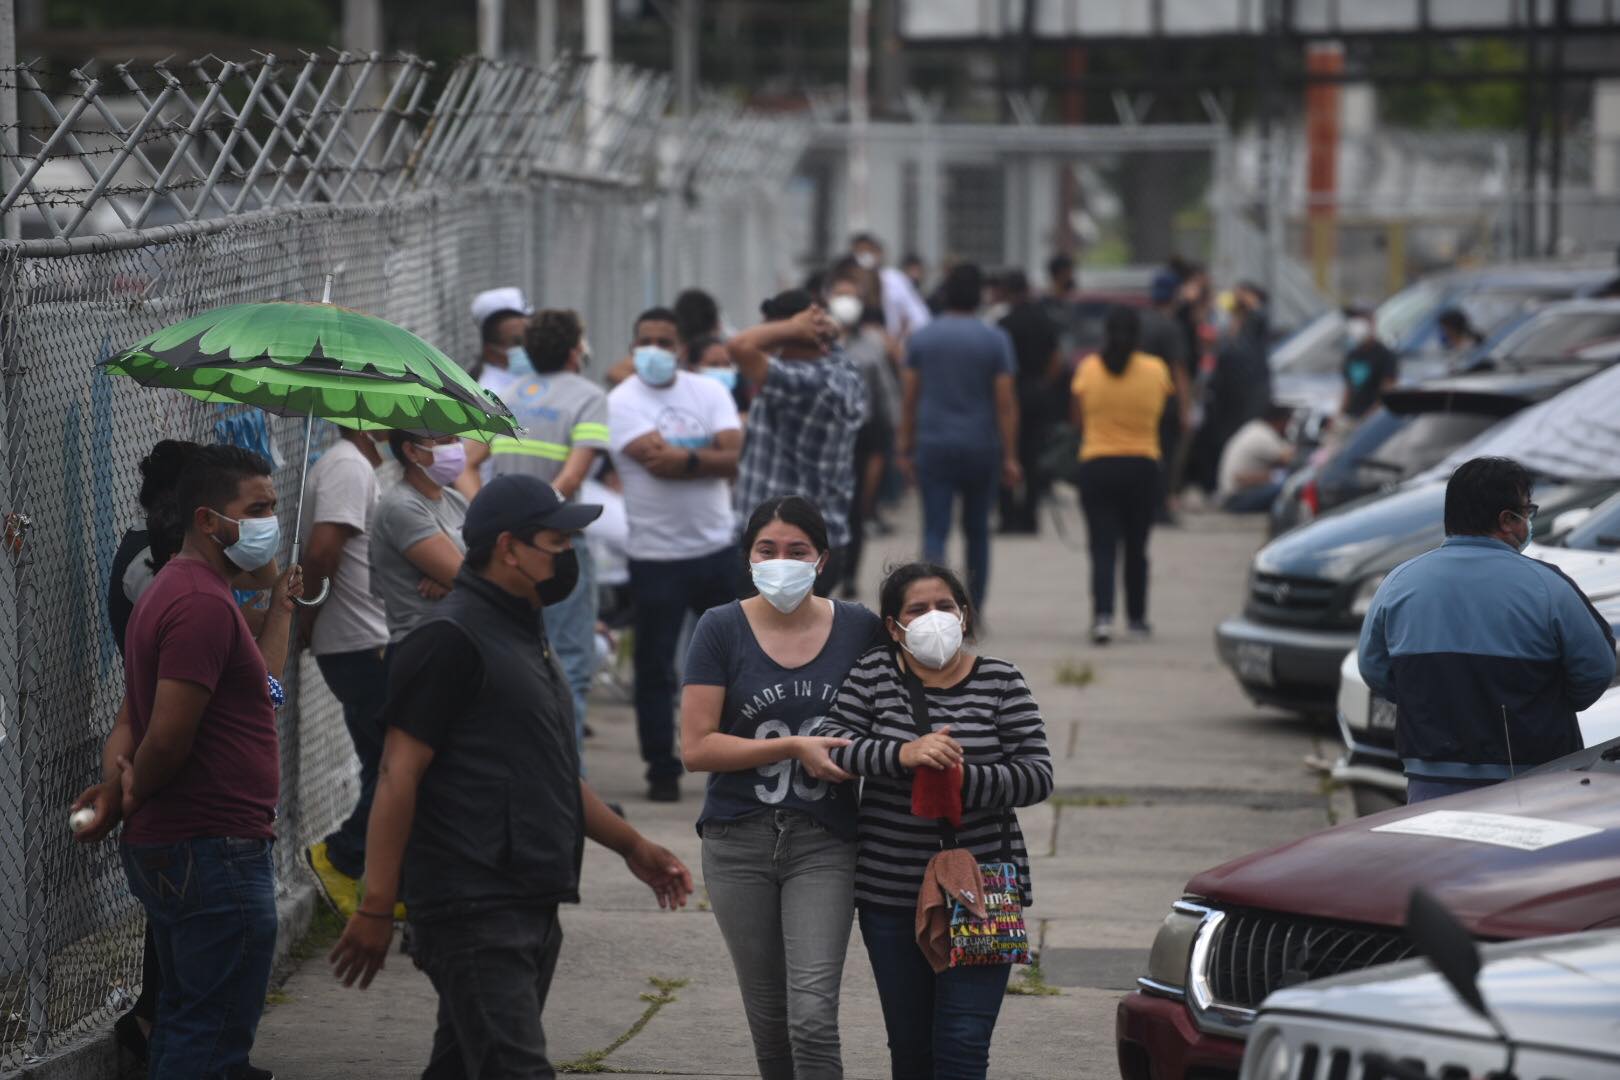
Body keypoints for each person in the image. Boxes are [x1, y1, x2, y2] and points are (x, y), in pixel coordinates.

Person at [326, 474, 695, 1078]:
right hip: (472, 904)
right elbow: (397, 776)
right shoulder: (448, 640)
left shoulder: (524, 634)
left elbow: (549, 769)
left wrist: (632, 845)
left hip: (528, 896)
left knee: (462, 1065)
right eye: (557, 541)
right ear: (509, 547)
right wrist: (374, 905)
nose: (569, 555)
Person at [72, 447, 286, 1080]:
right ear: (208, 520)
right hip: (211, 848)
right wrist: (126, 796)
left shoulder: (180, 588)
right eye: (257, 509)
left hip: (194, 845)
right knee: (210, 1037)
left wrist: (116, 790)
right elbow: (164, 737)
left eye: (272, 506)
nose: (270, 520)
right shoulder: (200, 604)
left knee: (185, 1023)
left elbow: (129, 723)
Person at [818, 562, 1052, 1080]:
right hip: (890, 891)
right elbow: (833, 744)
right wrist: (904, 755)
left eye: (944, 606)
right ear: (893, 626)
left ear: (964, 615)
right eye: (917, 609)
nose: (934, 618)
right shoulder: (875, 675)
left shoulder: (1001, 680)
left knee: (964, 1044)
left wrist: (961, 776)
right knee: (910, 1048)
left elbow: (1037, 776)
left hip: (984, 887)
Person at [679, 496, 885, 1080]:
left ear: (821, 559)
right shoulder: (720, 627)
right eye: (766, 550)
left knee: (813, 1018)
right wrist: (793, 746)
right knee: (770, 1025)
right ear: (748, 558)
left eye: (797, 551)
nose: (782, 562)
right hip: (736, 840)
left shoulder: (860, 627)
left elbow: (890, 717)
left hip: (826, 841)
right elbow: (696, 747)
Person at [1358, 457, 1616, 804]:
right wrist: (1544, 708)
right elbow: (1597, 668)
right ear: (1507, 521)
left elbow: (1375, 669)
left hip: (1429, 779)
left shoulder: (1398, 583)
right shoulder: (1548, 587)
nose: (1530, 519)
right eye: (1528, 510)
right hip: (1534, 781)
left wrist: (1430, 702)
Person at [609, 308, 744, 801]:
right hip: (655, 555)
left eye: (665, 341)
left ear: (682, 349)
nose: (655, 350)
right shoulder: (622, 400)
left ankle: (735, 758)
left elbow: (734, 454)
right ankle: (661, 768)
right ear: (632, 347)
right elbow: (656, 463)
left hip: (715, 548)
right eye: (645, 341)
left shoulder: (709, 391)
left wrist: (686, 457)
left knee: (736, 663)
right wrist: (706, 456)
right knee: (656, 666)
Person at [479, 309, 610, 768]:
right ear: (576, 349)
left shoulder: (506, 392)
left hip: (505, 547)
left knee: (510, 657)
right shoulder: (590, 398)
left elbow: (469, 461)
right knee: (570, 662)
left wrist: (492, 519)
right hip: (558, 544)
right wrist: (543, 521)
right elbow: (573, 476)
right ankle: (567, 781)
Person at [300, 425, 394, 918]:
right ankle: (342, 855)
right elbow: (321, 552)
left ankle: (382, 880)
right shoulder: (346, 465)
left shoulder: (355, 466)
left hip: (366, 640)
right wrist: (305, 619)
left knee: (389, 761)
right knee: (396, 764)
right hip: (361, 643)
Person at [898, 263, 1021, 613]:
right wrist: (1011, 455)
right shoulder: (996, 340)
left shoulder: (921, 339)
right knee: (977, 530)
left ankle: (930, 606)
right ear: (980, 296)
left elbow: (909, 399)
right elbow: (1005, 404)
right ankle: (973, 609)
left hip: (933, 445)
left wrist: (904, 447)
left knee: (935, 528)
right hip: (981, 446)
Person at [729, 290, 866, 597]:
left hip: (780, 552)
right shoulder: (842, 371)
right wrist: (821, 326)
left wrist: (792, 327)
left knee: (766, 642)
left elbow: (737, 346)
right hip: (818, 543)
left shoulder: (803, 383)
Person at [1071, 306, 1175, 644]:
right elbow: (1162, 412)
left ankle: (1102, 617)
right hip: (1143, 465)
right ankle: (1137, 618)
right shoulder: (1156, 369)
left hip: (1097, 464)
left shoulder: (1088, 369)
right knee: (1137, 545)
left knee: (1102, 545)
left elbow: (1078, 419)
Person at [828, 267, 901, 597]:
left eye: (852, 296)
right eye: (840, 295)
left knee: (854, 509)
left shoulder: (871, 344)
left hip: (860, 434)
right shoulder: (815, 342)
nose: (846, 303)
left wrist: (897, 434)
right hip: (822, 436)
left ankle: (851, 575)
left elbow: (885, 392)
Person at [370, 431, 470, 657]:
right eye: (445, 441)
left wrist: (455, 585)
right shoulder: (401, 507)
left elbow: (477, 572)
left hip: (458, 638)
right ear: (411, 451)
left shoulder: (455, 500)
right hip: (424, 647)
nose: (455, 448)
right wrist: (463, 581)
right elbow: (476, 579)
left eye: (457, 440)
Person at [994, 269, 1063, 535]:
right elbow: (1057, 359)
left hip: (1012, 394)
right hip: (1038, 393)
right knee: (1033, 458)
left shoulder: (1005, 323)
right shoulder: (1043, 319)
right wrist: (1045, 383)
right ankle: (1030, 517)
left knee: (1008, 454)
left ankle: (1008, 516)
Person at [1199, 281, 1272, 493]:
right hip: (1226, 401)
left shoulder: (1251, 335)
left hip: (1244, 400)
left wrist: (1250, 302)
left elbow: (1260, 317)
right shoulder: (1230, 339)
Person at [1142, 269, 1193, 522]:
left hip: (1140, 402)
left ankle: (1145, 505)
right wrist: (1186, 409)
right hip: (1166, 403)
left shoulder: (1141, 322)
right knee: (1166, 456)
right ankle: (1161, 508)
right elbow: (1179, 371)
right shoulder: (1171, 328)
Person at [1216, 404, 1296, 513]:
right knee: (1288, 486)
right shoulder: (1263, 435)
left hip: (1233, 496)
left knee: (1281, 479)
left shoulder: (1254, 428)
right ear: (1281, 421)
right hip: (1236, 499)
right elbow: (1289, 459)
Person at [851, 232, 931, 340]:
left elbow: (919, 317)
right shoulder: (846, 280)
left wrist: (903, 336)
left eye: (868, 251)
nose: (864, 256)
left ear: (878, 253)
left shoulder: (894, 279)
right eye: (860, 251)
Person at [469, 287, 535, 400]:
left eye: (531, 338)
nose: (528, 348)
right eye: (517, 343)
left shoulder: (522, 381)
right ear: (490, 351)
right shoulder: (492, 397)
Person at [1339, 305, 1398, 423]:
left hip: (1370, 420)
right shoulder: (1352, 355)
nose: (1356, 324)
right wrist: (1339, 417)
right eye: (1354, 320)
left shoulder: (1385, 355)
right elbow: (1348, 389)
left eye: (1361, 319)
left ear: (1372, 323)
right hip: (1351, 417)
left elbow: (1387, 394)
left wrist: (1365, 420)